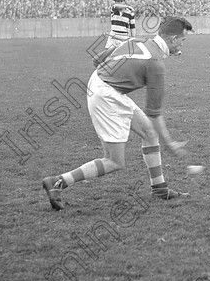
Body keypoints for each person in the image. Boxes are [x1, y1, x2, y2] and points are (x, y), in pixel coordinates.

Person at [41, 17, 194, 211]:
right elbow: (154, 113)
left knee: (149, 132)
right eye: (182, 40)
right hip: (106, 94)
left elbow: (97, 60)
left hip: (101, 83)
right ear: (172, 39)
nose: (182, 44)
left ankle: (159, 188)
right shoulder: (156, 64)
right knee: (114, 160)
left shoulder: (138, 40)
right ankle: (57, 182)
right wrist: (170, 143)